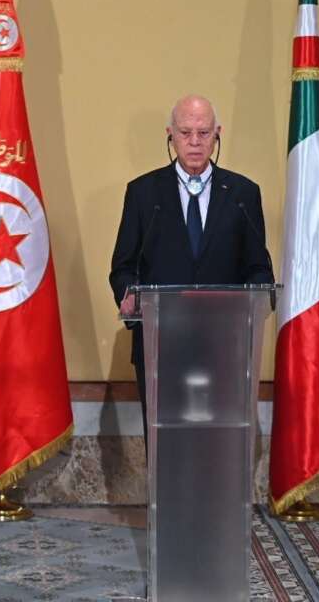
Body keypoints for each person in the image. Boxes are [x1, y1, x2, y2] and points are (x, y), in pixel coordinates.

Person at [109, 95, 274, 420]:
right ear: (170, 135)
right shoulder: (144, 193)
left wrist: (258, 296)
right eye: (186, 133)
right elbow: (123, 267)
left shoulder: (243, 193)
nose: (195, 142)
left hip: (226, 347)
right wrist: (129, 296)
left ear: (217, 134)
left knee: (220, 440)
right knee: (166, 442)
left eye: (204, 133)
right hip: (160, 347)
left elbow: (258, 267)